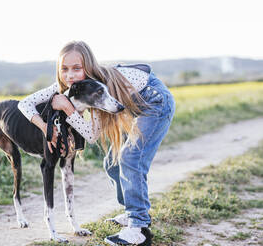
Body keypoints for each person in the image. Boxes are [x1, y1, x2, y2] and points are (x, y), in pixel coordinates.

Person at [18, 41, 175, 246]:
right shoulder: (70, 85)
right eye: (64, 69)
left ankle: (139, 228)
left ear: (89, 66)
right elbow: (24, 103)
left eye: (77, 68)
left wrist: (68, 109)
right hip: (139, 108)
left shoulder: (100, 86)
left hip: (156, 103)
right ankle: (131, 213)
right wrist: (46, 128)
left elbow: (91, 136)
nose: (70, 75)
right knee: (111, 162)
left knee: (130, 158)